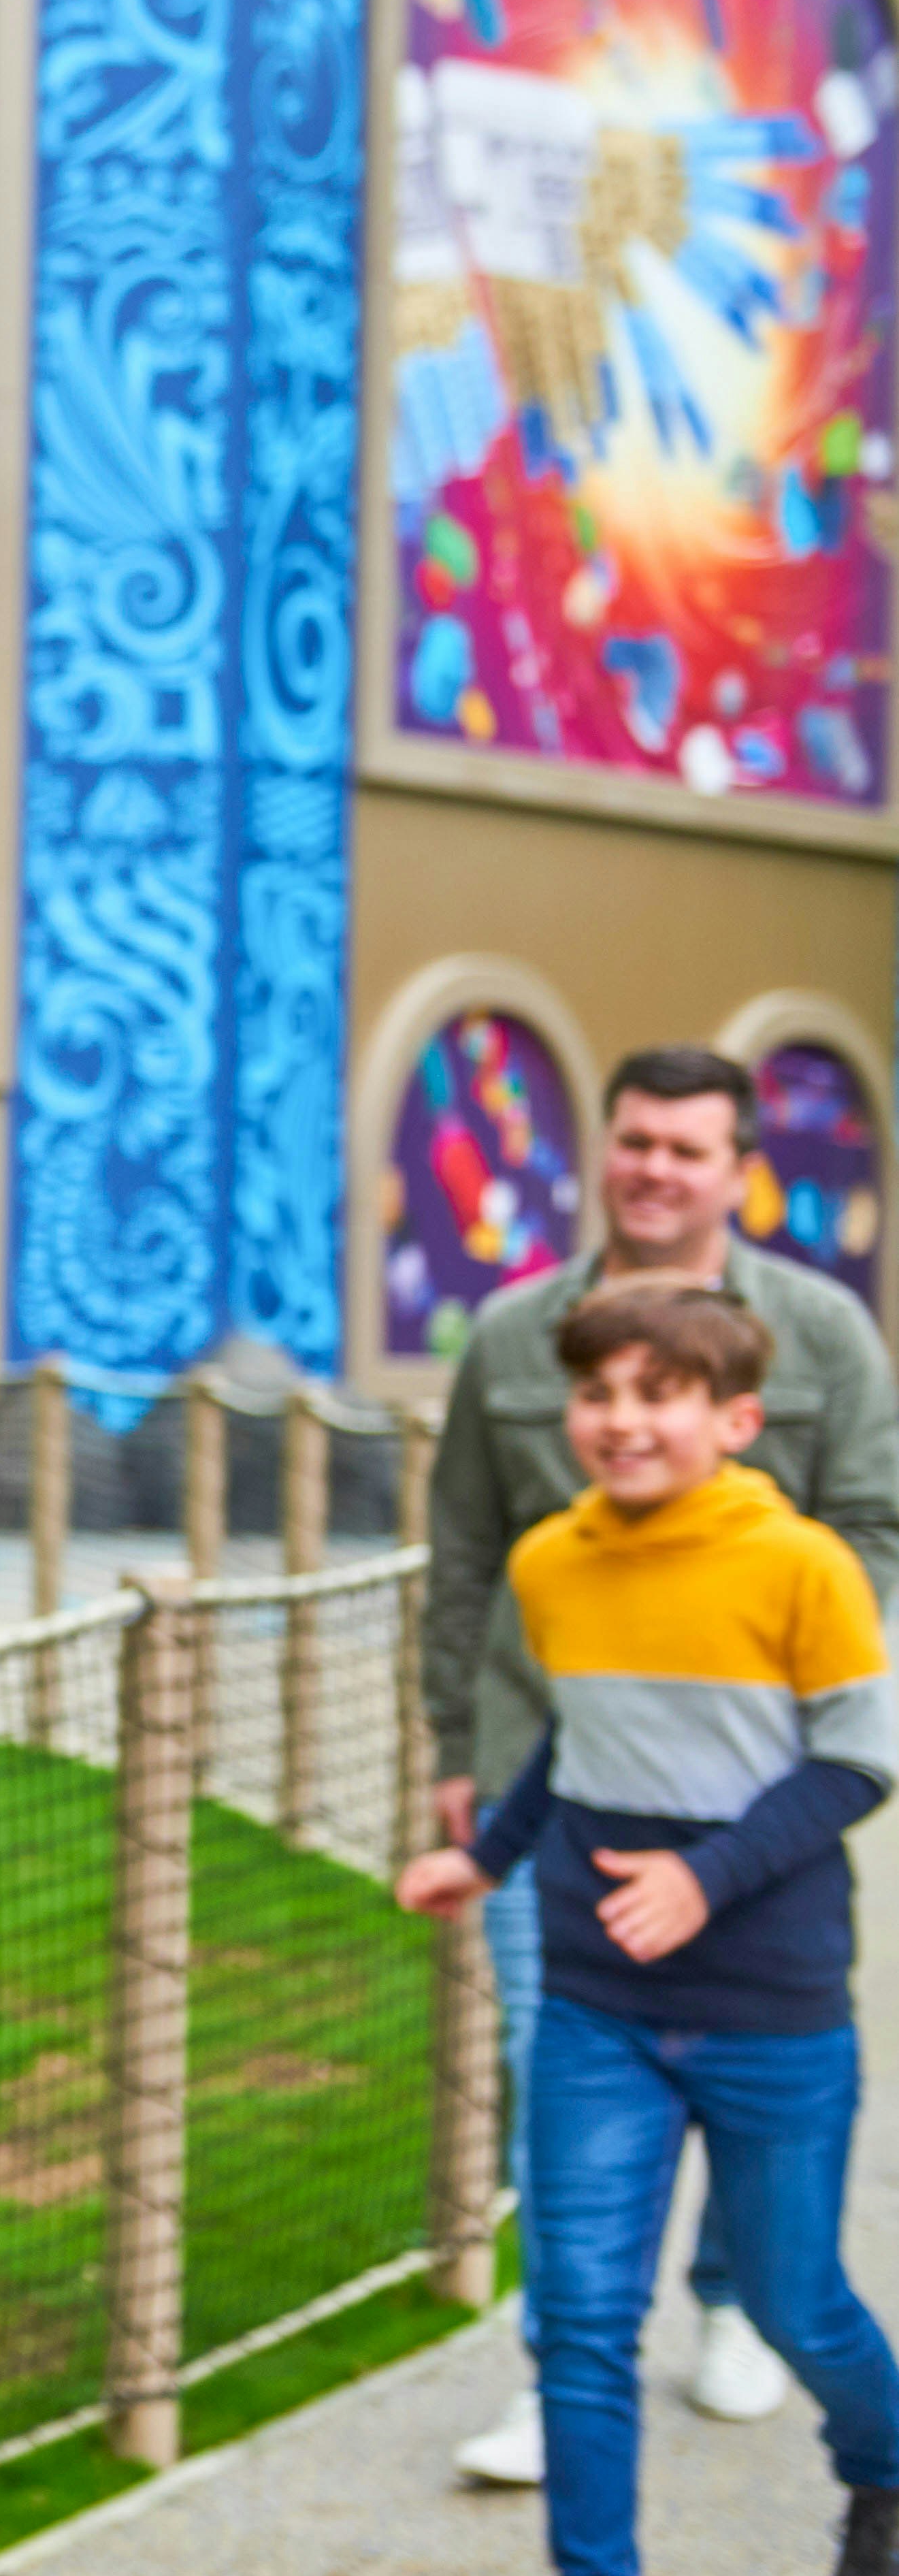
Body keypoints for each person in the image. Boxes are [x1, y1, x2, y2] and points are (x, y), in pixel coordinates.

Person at [394, 1281, 899, 2576]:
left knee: (800, 2299)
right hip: (599, 2006)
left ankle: (880, 2471)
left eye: (657, 1393)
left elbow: (858, 1763)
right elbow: (578, 1738)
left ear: (734, 1420)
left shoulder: (802, 1565)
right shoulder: (550, 1563)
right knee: (585, 2328)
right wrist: (485, 1850)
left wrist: (703, 1876)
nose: (621, 1418)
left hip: (769, 2002)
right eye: (598, 1392)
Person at [421, 1045, 899, 2485]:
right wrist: (456, 1749)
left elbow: (872, 1528)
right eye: (634, 1141)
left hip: (748, 1791)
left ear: (733, 1164)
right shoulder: (513, 1336)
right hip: (543, 1765)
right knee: (550, 2061)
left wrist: (793, 1672)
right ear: (604, 1151)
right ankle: (562, 2361)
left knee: (747, 2051)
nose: (654, 1169)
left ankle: (727, 2301)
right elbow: (456, 1553)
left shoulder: (820, 1332)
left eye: (687, 1148)